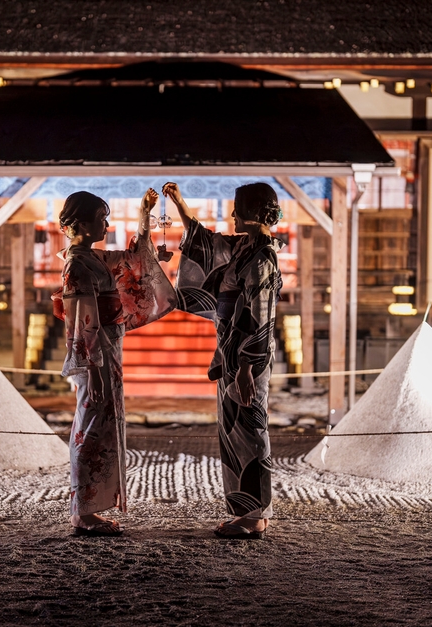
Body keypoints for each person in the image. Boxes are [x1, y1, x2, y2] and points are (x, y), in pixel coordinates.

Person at [163, 181, 283, 540]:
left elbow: (259, 315)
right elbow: (206, 241)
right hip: (234, 351)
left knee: (250, 428)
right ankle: (247, 511)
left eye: (240, 209)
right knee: (236, 431)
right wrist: (180, 205)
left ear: (258, 213)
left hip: (248, 354)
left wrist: (247, 366)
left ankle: (254, 513)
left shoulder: (262, 258)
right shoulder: (246, 248)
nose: (233, 215)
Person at [57, 189, 176, 537]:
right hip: (96, 354)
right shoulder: (78, 265)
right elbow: (82, 322)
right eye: (100, 219)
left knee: (100, 425)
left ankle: (91, 507)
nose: (106, 226)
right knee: (91, 426)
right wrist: (91, 368)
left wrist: (143, 215)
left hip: (107, 351)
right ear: (79, 223)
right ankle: (82, 510)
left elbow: (133, 260)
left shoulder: (91, 259)